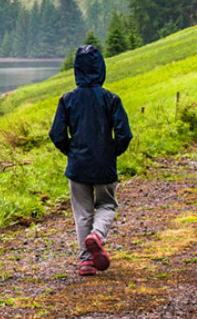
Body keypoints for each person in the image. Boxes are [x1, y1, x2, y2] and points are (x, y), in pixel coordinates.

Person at [49, 44, 133, 277]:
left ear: (76, 70)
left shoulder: (67, 99)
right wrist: (111, 151)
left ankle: (86, 262)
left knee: (82, 213)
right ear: (101, 68)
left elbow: (56, 134)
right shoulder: (111, 99)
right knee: (107, 204)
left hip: (78, 165)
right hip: (104, 164)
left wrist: (72, 151)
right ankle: (97, 235)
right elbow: (124, 133)